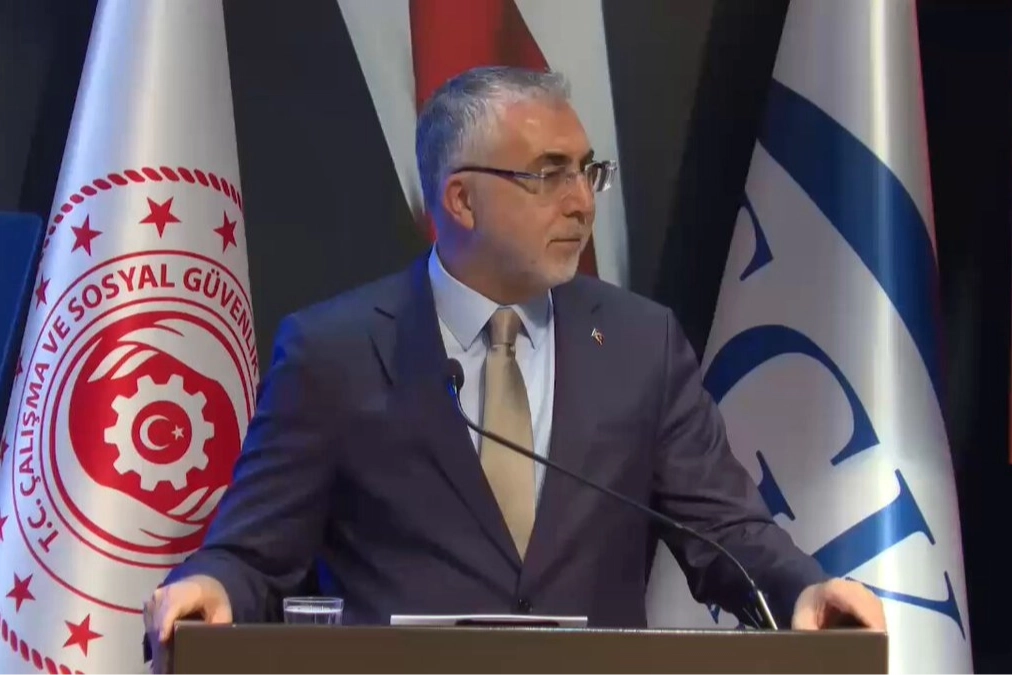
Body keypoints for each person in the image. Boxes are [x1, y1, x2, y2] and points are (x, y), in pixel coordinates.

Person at [144, 65, 885, 660]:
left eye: (588, 172)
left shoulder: (640, 343)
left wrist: (802, 589)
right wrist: (211, 587)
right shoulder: (335, 351)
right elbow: (254, 552)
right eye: (548, 174)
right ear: (461, 200)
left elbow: (727, 531)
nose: (581, 203)